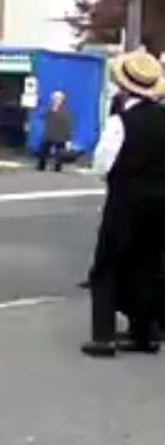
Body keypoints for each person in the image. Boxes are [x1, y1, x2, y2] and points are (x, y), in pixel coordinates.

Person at [82, 48, 165, 358]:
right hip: (160, 202)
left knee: (106, 266)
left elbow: (102, 164)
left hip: (126, 200)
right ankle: (145, 334)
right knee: (147, 266)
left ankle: (102, 337)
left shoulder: (121, 122)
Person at [38, 91, 74, 172]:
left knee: (60, 153)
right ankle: (41, 166)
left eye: (58, 99)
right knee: (43, 151)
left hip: (60, 136)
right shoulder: (49, 110)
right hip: (49, 135)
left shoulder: (65, 112)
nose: (56, 100)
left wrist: (68, 137)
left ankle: (57, 167)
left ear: (62, 100)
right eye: (55, 99)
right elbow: (42, 116)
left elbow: (68, 125)